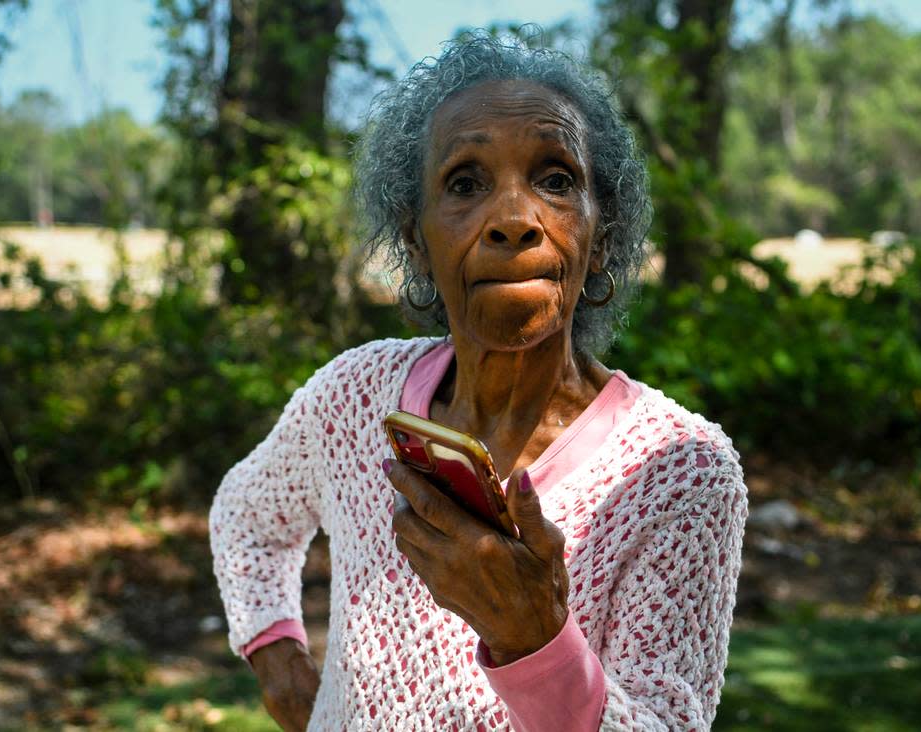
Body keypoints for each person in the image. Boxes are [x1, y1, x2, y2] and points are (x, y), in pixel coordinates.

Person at [210, 31, 748, 731]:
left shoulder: (678, 471)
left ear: (604, 235)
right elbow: (246, 518)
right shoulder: (351, 399)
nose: (514, 220)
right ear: (415, 241)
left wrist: (536, 640)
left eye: (556, 179)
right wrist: (280, 664)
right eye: (465, 183)